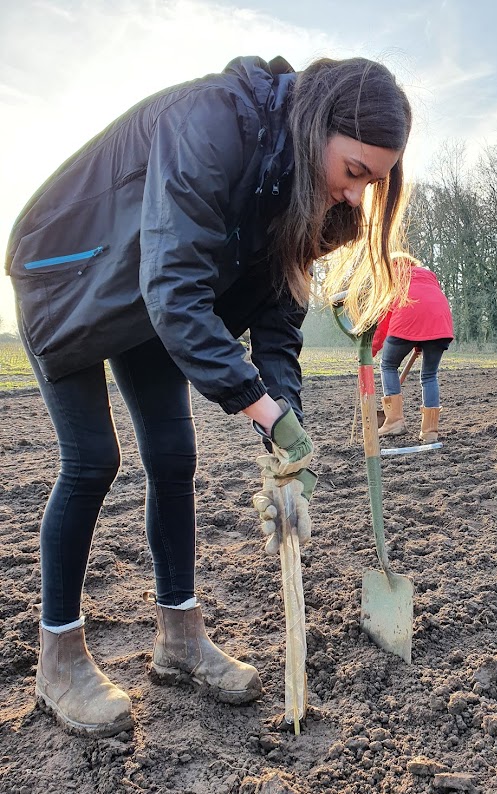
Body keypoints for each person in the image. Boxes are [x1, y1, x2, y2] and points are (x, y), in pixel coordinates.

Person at [5, 55, 412, 737]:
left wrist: (287, 426)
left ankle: (180, 639)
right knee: (92, 459)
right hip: (69, 275)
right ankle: (59, 659)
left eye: (372, 182)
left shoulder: (301, 191)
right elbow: (175, 291)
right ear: (317, 128)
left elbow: (278, 325)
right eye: (353, 172)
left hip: (144, 293)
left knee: (173, 456)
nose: (355, 196)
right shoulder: (213, 123)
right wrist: (262, 411)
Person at [371, 258, 454, 443]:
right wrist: (419, 341)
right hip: (441, 323)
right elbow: (427, 304)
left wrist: (372, 348)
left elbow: (384, 318)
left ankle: (394, 422)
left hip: (407, 321)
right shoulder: (428, 275)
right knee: (429, 375)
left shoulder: (391, 277)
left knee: (388, 365)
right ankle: (430, 432)